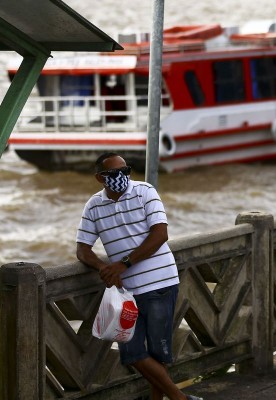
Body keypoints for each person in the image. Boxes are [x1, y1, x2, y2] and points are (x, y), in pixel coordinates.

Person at [76, 152, 203, 400]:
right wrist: (103, 268)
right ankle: (180, 398)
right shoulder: (93, 205)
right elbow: (82, 249)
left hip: (160, 284)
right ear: (100, 178)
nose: (121, 177)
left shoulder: (145, 192)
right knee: (132, 353)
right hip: (127, 294)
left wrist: (123, 264)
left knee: (157, 353)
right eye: (114, 174)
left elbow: (160, 235)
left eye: (125, 171)